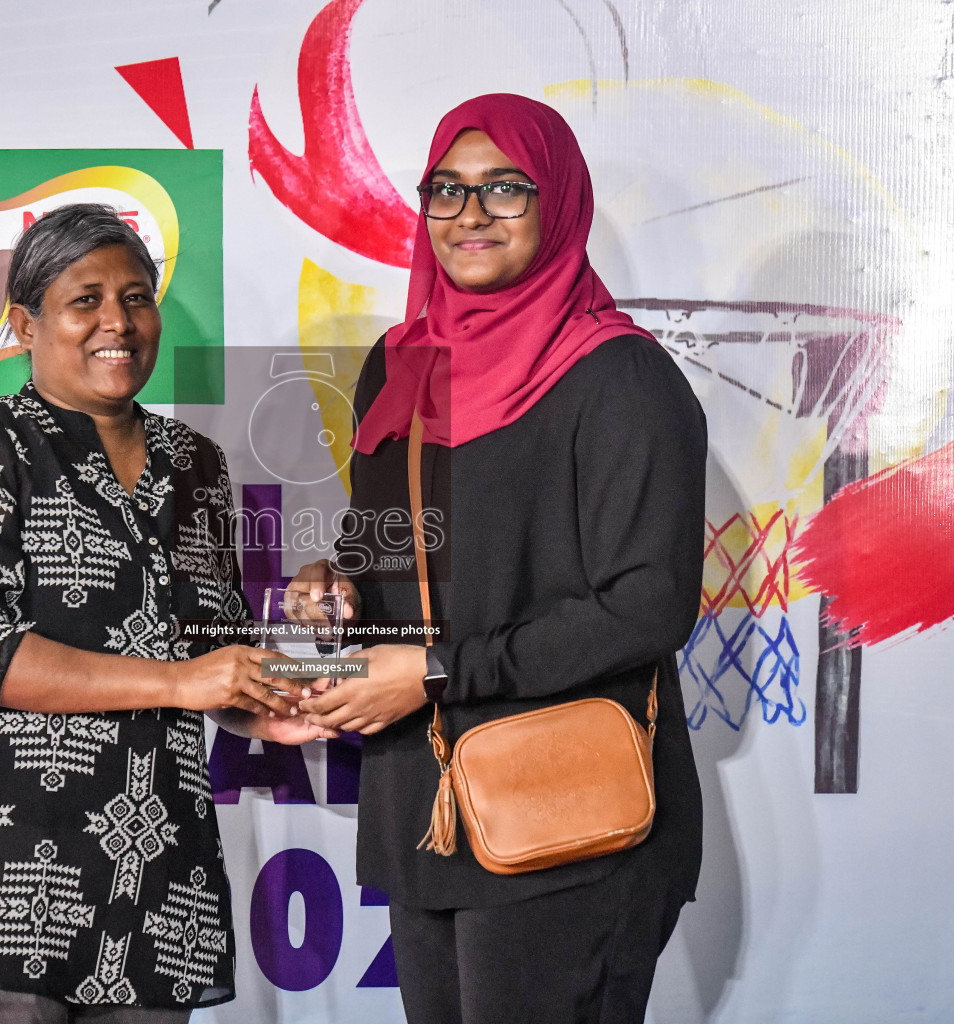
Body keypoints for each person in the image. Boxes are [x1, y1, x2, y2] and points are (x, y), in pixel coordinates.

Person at [292, 94, 708, 1023]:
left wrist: (439, 671)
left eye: (504, 189)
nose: (470, 215)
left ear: (557, 203)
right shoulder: (399, 364)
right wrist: (339, 582)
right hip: (427, 810)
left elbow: (648, 606)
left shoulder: (617, 376)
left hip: (567, 818)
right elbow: (393, 538)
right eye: (446, 190)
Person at [0, 204, 328, 1023]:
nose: (116, 323)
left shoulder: (195, 463)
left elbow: (213, 655)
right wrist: (183, 680)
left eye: (135, 297)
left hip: (158, 891)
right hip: (9, 886)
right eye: (83, 300)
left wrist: (296, 677)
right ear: (26, 324)